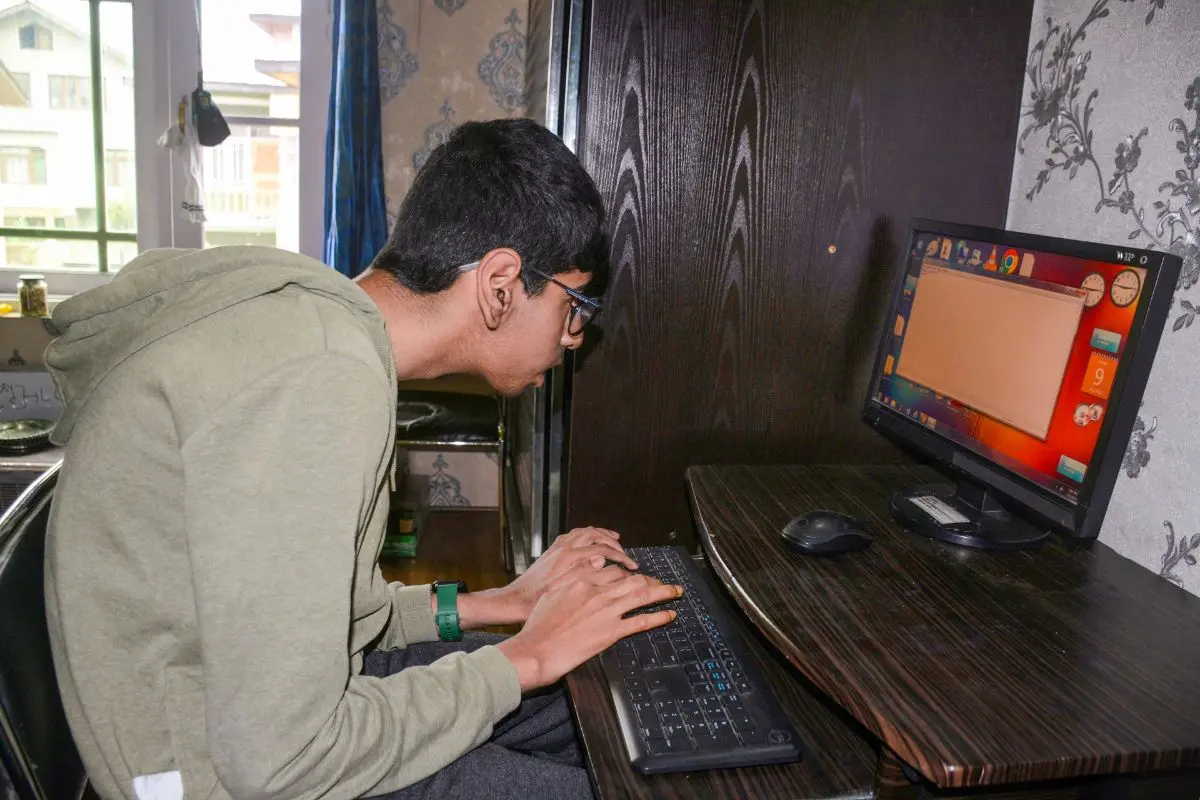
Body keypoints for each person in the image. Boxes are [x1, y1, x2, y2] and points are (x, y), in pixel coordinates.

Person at [43, 119, 681, 800]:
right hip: (220, 772)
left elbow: (322, 622)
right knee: (602, 766)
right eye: (574, 307)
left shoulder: (318, 333)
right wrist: (527, 654)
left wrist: (500, 605)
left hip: (249, 716)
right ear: (500, 285)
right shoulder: (319, 376)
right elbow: (284, 764)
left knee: (594, 699)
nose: (574, 339)